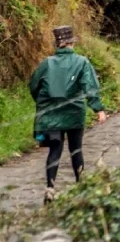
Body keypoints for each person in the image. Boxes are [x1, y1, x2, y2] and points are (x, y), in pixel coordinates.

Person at [29, 26, 107, 204]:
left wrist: (43, 103)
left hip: (51, 113)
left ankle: (50, 188)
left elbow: (33, 85)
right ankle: (82, 188)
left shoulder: (46, 63)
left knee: (55, 149)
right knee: (76, 149)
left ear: (57, 44)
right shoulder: (82, 62)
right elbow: (89, 86)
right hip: (74, 113)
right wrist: (98, 109)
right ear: (72, 43)